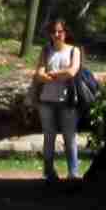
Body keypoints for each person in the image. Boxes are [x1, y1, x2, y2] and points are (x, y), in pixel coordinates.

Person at [34, 18, 84, 182]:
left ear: (66, 33)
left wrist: (52, 74)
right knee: (49, 137)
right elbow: (39, 74)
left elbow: (72, 71)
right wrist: (57, 75)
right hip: (46, 101)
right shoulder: (46, 51)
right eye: (53, 32)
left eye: (60, 31)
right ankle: (49, 172)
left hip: (67, 100)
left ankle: (73, 172)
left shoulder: (74, 51)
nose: (56, 34)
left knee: (70, 137)